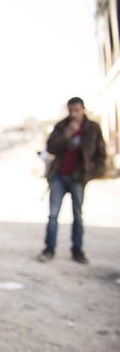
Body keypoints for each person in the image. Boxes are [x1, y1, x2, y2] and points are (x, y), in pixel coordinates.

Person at [37, 97, 107, 264]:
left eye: (76, 110)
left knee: (77, 215)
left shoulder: (92, 128)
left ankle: (77, 250)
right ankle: (49, 249)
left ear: (83, 109)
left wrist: (91, 173)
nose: (74, 114)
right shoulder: (62, 126)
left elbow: (100, 153)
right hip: (59, 176)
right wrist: (67, 134)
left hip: (78, 178)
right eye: (71, 110)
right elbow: (51, 147)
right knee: (53, 215)